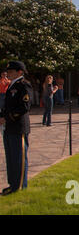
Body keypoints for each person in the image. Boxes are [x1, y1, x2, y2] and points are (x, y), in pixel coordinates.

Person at [0, 61, 33, 195]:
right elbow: (7, 106)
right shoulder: (11, 85)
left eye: (11, 71)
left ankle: (19, 186)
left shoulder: (24, 85)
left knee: (19, 158)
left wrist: (6, 118)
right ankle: (12, 184)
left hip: (18, 127)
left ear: (20, 72)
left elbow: (24, 107)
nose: (8, 73)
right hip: (9, 127)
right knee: (11, 158)